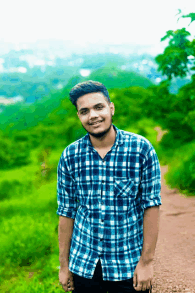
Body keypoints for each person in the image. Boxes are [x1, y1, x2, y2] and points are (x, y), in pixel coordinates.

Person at [57, 80, 162, 293]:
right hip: (83, 266)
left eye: (98, 107)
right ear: (79, 116)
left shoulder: (141, 149)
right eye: (84, 111)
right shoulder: (70, 156)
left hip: (128, 265)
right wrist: (64, 266)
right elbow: (66, 212)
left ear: (110, 108)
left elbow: (151, 206)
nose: (93, 116)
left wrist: (147, 262)